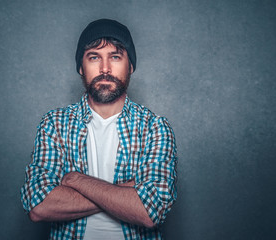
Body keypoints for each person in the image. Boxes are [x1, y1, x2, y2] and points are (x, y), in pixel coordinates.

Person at [21, 19, 177, 239]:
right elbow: (38, 205)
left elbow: (150, 211)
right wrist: (127, 193)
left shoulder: (155, 128)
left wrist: (76, 181)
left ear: (130, 65)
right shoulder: (54, 124)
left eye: (115, 57)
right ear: (80, 67)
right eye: (94, 57)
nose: (105, 69)